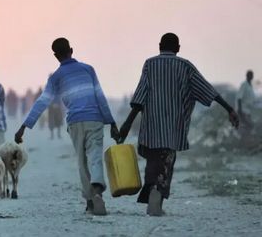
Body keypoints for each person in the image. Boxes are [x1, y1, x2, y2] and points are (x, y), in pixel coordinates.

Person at [118, 33, 239, 216]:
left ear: (159, 46)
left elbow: (139, 98)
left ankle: (152, 191)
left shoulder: (150, 64)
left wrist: (127, 124)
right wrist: (229, 109)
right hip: (173, 129)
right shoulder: (185, 66)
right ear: (178, 48)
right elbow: (208, 90)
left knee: (152, 163)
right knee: (166, 163)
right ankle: (157, 196)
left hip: (151, 127)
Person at [15, 38, 119, 216]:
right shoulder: (88, 69)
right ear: (72, 49)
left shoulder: (56, 77)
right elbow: (100, 96)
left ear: (55, 56)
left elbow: (42, 102)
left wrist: (25, 126)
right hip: (95, 119)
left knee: (81, 161)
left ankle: (90, 202)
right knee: (95, 157)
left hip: (75, 121)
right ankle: (97, 192)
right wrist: (111, 122)